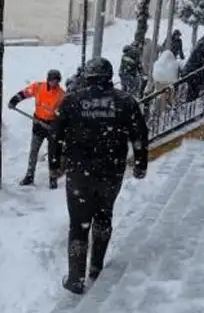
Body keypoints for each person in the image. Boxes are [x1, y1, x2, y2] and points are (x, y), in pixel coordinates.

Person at [51, 57, 149, 295]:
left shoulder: (71, 101)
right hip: (111, 171)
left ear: (87, 76)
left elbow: (55, 135)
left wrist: (55, 165)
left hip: (79, 173)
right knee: (104, 217)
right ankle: (96, 267)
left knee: (78, 225)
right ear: (109, 75)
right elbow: (140, 134)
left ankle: (75, 278)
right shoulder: (125, 102)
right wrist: (140, 163)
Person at [7, 69, 65, 188]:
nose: (54, 83)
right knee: (34, 150)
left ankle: (53, 179)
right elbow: (24, 93)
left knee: (54, 153)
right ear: (48, 80)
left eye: (56, 81)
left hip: (52, 126)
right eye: (52, 80)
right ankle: (29, 176)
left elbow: (63, 113)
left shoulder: (61, 95)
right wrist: (14, 101)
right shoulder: (38, 87)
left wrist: (58, 124)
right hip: (38, 123)